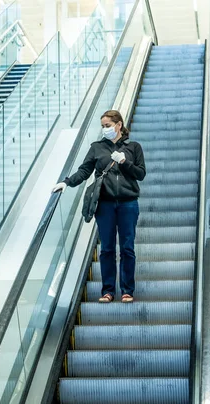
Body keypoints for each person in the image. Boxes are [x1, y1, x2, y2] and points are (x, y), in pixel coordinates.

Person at [53, 110, 146, 303]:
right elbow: (85, 170)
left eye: (108, 125)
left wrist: (124, 162)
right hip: (105, 204)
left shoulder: (134, 147)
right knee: (107, 249)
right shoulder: (97, 148)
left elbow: (140, 174)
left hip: (128, 204)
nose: (105, 129)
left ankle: (127, 290)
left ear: (118, 125)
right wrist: (67, 182)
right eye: (103, 126)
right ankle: (108, 291)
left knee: (127, 248)